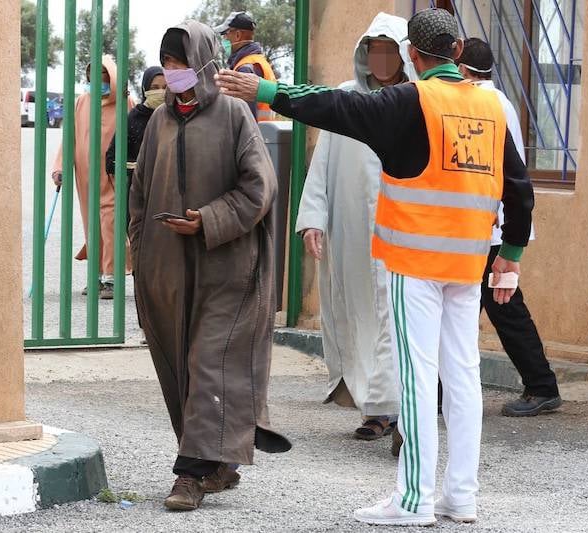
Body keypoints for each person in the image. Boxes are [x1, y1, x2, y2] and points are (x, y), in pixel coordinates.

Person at [216, 7, 534, 526]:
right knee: (462, 377)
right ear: (457, 51)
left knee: (416, 376)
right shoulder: (493, 106)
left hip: (415, 263)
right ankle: (460, 496)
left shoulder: (410, 101)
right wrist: (511, 260)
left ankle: (412, 501)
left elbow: (336, 106)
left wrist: (269, 94)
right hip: (469, 262)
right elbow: (519, 189)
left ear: (413, 55)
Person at [129, 21, 291, 512]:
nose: (174, 72)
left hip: (228, 270)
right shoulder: (159, 121)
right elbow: (139, 194)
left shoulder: (234, 114)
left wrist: (208, 219)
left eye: (180, 62)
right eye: (167, 63)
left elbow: (260, 189)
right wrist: (143, 242)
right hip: (170, 273)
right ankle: (217, 462)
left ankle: (190, 475)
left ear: (202, 60)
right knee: (181, 367)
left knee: (210, 364)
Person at [296, 12, 416, 444]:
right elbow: (322, 163)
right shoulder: (346, 98)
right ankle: (372, 404)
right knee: (358, 315)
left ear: (404, 54)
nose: (380, 60)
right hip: (351, 233)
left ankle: (392, 409)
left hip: (401, 234)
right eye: (374, 50)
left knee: (393, 317)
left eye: (389, 50)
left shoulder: (413, 100)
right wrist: (313, 217)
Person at [456, 38, 562, 417]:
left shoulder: (481, 103)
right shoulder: (498, 100)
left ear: (463, 69)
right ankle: (541, 386)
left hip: (492, 229)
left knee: (501, 308)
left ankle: (542, 387)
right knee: (493, 308)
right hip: (499, 226)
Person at [52, 56, 133, 299]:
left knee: (111, 221)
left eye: (104, 75)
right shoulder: (82, 102)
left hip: (113, 175)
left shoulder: (124, 102)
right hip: (86, 176)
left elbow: (134, 133)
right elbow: (71, 137)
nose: (97, 80)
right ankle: (98, 276)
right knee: (93, 224)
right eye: (92, 75)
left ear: (113, 77)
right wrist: (60, 167)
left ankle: (112, 278)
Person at [105, 66, 166, 230]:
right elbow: (111, 160)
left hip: (167, 196)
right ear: (145, 89)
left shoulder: (173, 117)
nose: (161, 92)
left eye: (165, 87)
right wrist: (135, 166)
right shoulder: (133, 118)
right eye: (155, 88)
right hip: (137, 197)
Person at [214, 11, 276, 121]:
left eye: (225, 34)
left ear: (237, 35)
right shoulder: (258, 61)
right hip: (265, 132)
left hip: (255, 134)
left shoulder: (245, 69)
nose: (224, 40)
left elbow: (245, 118)